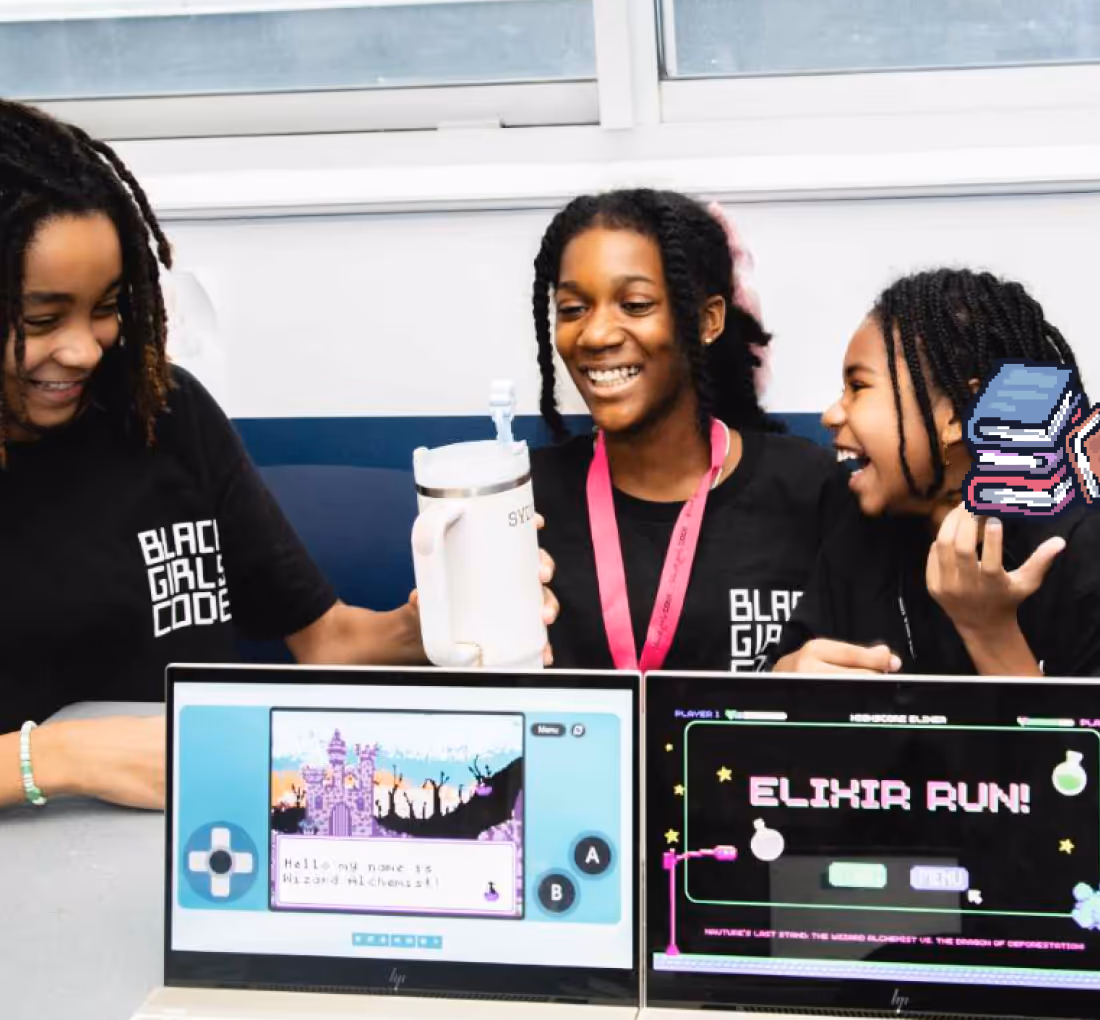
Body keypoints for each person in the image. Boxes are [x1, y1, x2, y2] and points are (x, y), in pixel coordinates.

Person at [0, 100, 557, 812]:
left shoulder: (163, 412)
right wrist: (56, 755)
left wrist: (438, 630)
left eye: (106, 306)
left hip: (209, 837)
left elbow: (325, 639)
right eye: (43, 319)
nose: (84, 348)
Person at [529, 188, 849, 672]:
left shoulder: (811, 488)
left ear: (707, 320)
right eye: (573, 309)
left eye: (635, 304)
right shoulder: (520, 500)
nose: (595, 335)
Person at [772, 268, 1100, 677]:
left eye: (858, 387)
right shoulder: (860, 531)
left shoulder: (1081, 550)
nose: (831, 414)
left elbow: (1078, 743)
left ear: (961, 415)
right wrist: (786, 680)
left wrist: (988, 630)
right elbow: (776, 694)